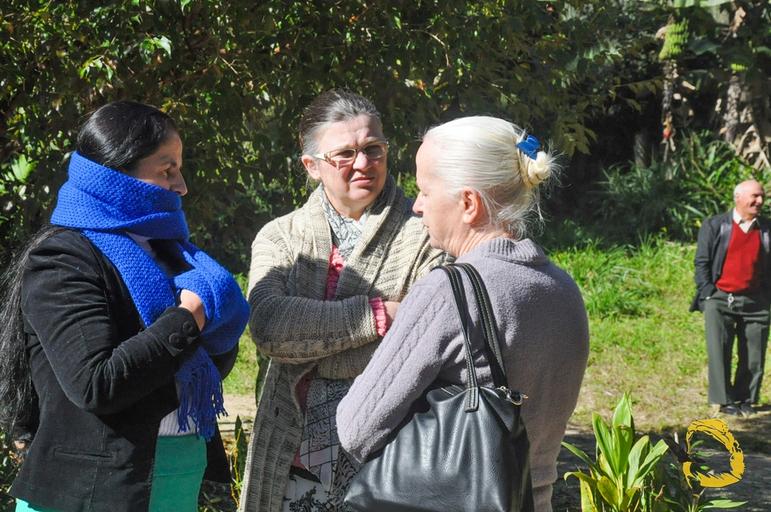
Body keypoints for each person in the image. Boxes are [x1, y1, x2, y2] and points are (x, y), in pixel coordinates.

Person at [0, 101, 248, 512]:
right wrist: (189, 316)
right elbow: (96, 384)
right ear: (114, 173)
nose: (181, 186)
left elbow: (199, 367)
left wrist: (202, 320)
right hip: (92, 489)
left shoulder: (173, 254)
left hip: (176, 474)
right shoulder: (64, 259)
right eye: (167, 170)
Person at [337, 116, 590, 512]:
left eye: (425, 191)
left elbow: (355, 428)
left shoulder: (449, 292)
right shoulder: (563, 289)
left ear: (468, 203)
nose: (417, 206)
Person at [238, 90, 443, 511]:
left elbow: (427, 339)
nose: (364, 163)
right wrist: (379, 315)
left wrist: (311, 352)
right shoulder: (280, 237)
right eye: (345, 154)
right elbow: (269, 326)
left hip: (390, 456)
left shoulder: (428, 234)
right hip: (293, 454)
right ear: (311, 166)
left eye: (373, 149)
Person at [690, 179, 770, 417]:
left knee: (754, 353)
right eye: (754, 196)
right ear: (738, 198)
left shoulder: (766, 228)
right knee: (719, 350)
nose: (760, 201)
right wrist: (708, 293)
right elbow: (702, 261)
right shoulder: (716, 225)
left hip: (756, 300)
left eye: (762, 196)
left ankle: (746, 398)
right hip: (720, 298)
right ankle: (724, 401)